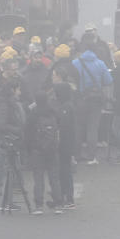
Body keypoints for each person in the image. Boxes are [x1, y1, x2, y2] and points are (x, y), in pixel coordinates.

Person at [72, 48, 112, 164]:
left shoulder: (75, 63)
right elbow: (108, 81)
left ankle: (76, 155)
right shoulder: (100, 63)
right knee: (92, 128)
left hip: (80, 99)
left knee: (78, 127)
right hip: (96, 101)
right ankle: (91, 157)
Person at [25, 92, 63, 214]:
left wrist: (29, 149)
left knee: (38, 178)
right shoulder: (53, 113)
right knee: (54, 178)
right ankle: (58, 204)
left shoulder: (33, 115)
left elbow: (27, 133)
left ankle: (39, 206)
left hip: (37, 150)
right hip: (52, 149)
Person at [0, 78, 26, 198]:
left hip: (12, 137)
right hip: (5, 138)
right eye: (19, 89)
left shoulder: (13, 103)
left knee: (14, 161)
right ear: (13, 90)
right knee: (1, 161)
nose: (20, 92)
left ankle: (17, 185)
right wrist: (17, 130)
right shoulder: (5, 105)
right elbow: (1, 124)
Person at [49, 78, 78, 208]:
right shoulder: (67, 105)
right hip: (67, 143)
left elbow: (64, 126)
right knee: (63, 170)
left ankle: (68, 198)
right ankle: (63, 196)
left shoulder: (66, 107)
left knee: (64, 170)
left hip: (65, 144)